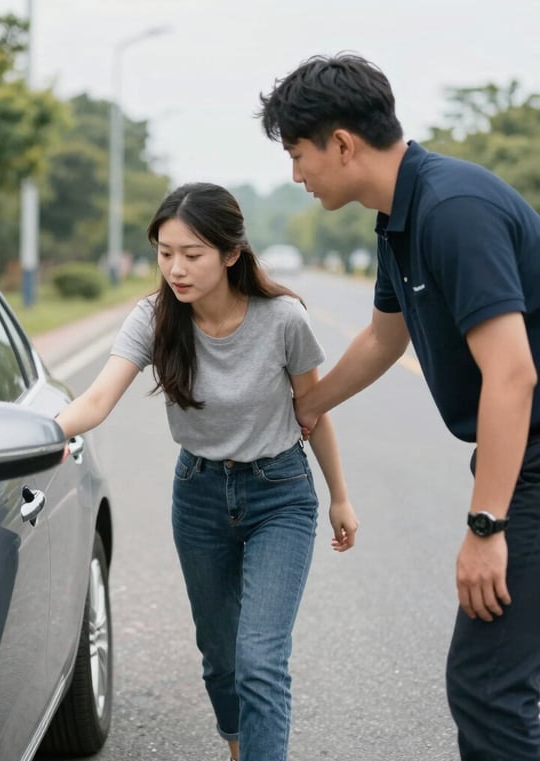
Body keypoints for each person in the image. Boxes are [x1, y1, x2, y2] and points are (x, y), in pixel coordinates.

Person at [258, 53, 540, 761]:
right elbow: (385, 337)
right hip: (524, 457)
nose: (295, 174)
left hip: (533, 463)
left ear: (341, 144)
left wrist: (486, 526)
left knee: (487, 686)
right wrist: (307, 405)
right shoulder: (400, 217)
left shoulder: (452, 210)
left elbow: (512, 376)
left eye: (297, 154)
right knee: (503, 680)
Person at [55, 182, 359, 761]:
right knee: (221, 656)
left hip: (280, 494)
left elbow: (313, 410)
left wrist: (339, 496)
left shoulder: (283, 319)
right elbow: (95, 401)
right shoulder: (154, 318)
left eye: (192, 254)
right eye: (165, 253)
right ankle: (239, 746)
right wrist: (42, 435)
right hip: (198, 495)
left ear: (230, 253)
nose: (176, 268)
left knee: (260, 660)